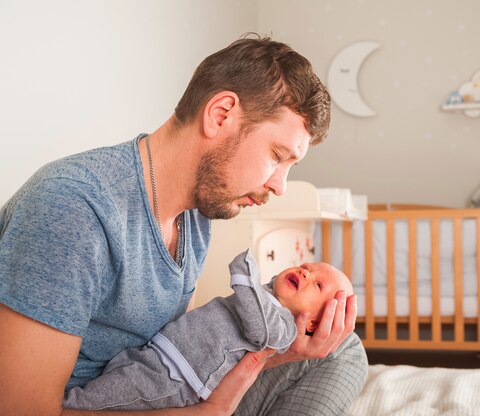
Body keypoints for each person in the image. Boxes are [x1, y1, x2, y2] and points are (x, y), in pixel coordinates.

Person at [0, 34, 367, 416]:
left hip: (159, 390)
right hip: (100, 403)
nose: (279, 185)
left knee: (339, 343)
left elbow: (176, 346)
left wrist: (274, 355)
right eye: (277, 156)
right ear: (221, 114)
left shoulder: (195, 214)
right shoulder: (74, 208)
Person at [64, 249, 354, 410]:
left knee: (112, 397)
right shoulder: (267, 296)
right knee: (116, 376)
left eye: (318, 285)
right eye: (307, 266)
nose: (307, 272)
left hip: (176, 378)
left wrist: (245, 275)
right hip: (161, 353)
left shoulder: (281, 328)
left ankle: (68, 407)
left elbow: (257, 323)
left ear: (315, 323)